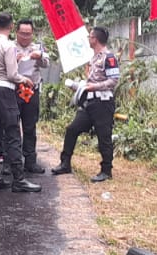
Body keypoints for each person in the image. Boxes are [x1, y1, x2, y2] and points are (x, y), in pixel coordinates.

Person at [0, 10, 41, 193]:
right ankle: (19, 179)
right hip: (4, 90)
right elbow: (12, 74)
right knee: (13, 132)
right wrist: (24, 79)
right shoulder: (8, 46)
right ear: (12, 27)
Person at [50, 25, 119, 183]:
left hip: (103, 102)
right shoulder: (93, 58)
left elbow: (113, 80)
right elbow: (91, 80)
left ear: (95, 39)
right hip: (89, 101)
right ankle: (65, 162)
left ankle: (106, 170)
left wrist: (95, 86)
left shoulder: (109, 57)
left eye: (90, 37)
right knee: (72, 129)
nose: (88, 39)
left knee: (104, 136)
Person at [13, 19, 50, 173]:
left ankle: (30, 161)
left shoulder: (37, 47)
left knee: (30, 126)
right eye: (22, 34)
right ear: (17, 33)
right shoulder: (10, 47)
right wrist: (14, 60)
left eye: (28, 34)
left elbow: (46, 64)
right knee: (12, 126)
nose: (25, 37)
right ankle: (12, 161)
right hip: (14, 89)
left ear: (32, 34)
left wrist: (39, 56)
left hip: (31, 89)